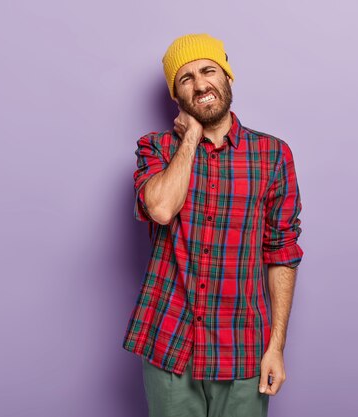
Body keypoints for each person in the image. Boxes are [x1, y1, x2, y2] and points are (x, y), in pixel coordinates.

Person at [122, 33, 304, 417]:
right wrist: (190, 139)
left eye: (208, 71)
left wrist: (276, 347)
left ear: (227, 77)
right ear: (176, 95)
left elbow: (282, 253)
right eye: (185, 78)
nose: (200, 83)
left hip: (241, 348)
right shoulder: (156, 148)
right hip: (170, 342)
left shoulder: (273, 155)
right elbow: (160, 208)